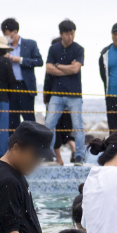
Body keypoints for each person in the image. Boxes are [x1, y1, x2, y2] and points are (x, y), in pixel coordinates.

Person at [45, 19, 85, 165]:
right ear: (61, 34)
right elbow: (48, 68)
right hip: (56, 94)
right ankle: (49, 154)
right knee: (49, 123)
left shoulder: (79, 49)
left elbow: (76, 69)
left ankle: (79, 155)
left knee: (77, 126)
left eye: (72, 33)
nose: (70, 37)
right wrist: (66, 68)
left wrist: (58, 66)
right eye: (67, 34)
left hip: (74, 94)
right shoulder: (54, 49)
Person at [1, 18, 44, 134]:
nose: (6, 37)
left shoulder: (30, 44)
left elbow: (39, 61)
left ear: (15, 32)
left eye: (7, 35)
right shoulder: (3, 47)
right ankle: (13, 149)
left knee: (29, 120)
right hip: (10, 87)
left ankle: (32, 148)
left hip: (26, 86)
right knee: (12, 121)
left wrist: (21, 60)